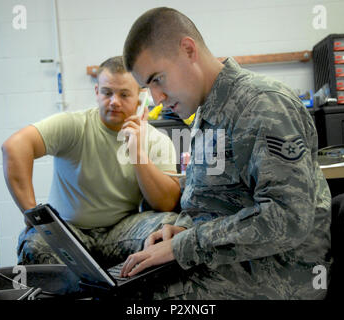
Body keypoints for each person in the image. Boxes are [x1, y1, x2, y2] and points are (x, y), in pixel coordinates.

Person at [120, 7, 332, 299]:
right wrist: (179, 231)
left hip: (283, 272)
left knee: (143, 297)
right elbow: (215, 201)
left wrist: (184, 245)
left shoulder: (262, 105)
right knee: (126, 281)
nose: (156, 98)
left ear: (188, 50)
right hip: (237, 261)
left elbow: (288, 218)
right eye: (147, 86)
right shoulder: (207, 111)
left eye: (158, 79)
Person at [2, 56, 180, 267]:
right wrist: (31, 212)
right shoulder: (74, 125)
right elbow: (14, 147)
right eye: (107, 93)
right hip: (70, 232)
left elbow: (166, 204)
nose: (114, 101)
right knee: (35, 244)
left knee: (168, 230)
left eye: (124, 94)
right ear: (97, 93)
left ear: (139, 98)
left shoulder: (156, 140)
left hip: (121, 232)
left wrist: (138, 153)